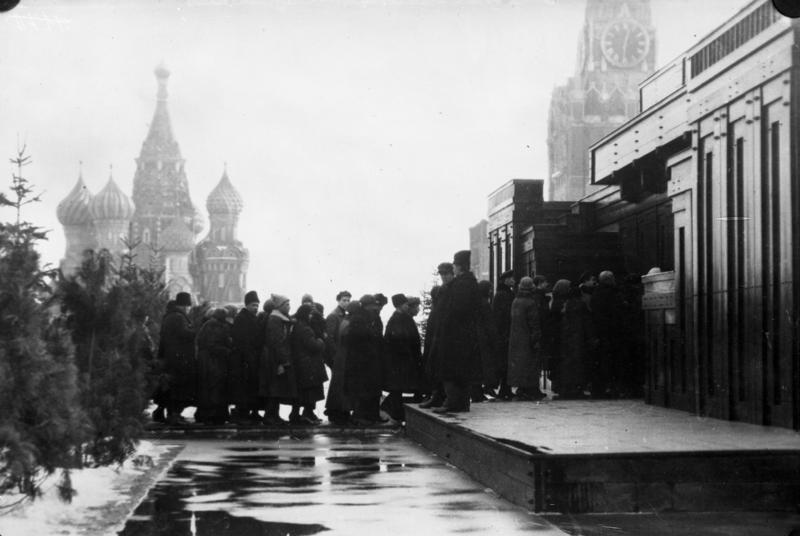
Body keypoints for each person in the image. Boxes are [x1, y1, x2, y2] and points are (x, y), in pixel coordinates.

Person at [433, 250, 482, 413]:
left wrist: (445, 326)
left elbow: (457, 310)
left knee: (451, 368)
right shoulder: (468, 282)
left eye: (454, 264)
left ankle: (453, 402)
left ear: (458, 266)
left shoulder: (461, 284)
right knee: (462, 369)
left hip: (455, 335)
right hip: (463, 334)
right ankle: (461, 403)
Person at [344, 295, 385, 425]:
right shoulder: (358, 319)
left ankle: (372, 415)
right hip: (362, 361)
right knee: (363, 390)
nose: (375, 307)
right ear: (367, 305)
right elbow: (361, 339)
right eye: (373, 304)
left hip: (371, 359)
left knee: (372, 389)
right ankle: (360, 416)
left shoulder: (371, 317)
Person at [381, 293, 422, 421]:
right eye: (405, 304)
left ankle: (395, 412)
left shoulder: (401, 318)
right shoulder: (398, 319)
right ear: (400, 305)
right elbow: (401, 341)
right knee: (398, 388)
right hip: (400, 361)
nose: (407, 306)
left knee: (398, 388)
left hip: (402, 360)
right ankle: (391, 411)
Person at [419, 262, 454, 409]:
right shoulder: (441, 291)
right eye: (442, 274)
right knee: (435, 366)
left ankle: (446, 397)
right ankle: (437, 395)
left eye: (447, 274)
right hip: (436, 334)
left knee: (447, 368)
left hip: (449, 335)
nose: (444, 277)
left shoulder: (454, 290)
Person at [507, 276, 546, 401]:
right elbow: (534, 323)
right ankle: (530, 389)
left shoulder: (516, 301)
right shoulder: (530, 302)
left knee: (519, 365)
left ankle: (522, 389)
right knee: (530, 364)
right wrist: (536, 338)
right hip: (528, 339)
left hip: (516, 338)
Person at [161, 292, 197, 424]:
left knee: (173, 387)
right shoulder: (178, 317)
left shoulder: (170, 316)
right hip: (179, 358)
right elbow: (184, 334)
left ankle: (173, 414)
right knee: (178, 388)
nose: (188, 309)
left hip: (172, 356)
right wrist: (195, 331)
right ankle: (174, 415)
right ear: (184, 305)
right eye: (188, 306)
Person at [289, 303, 328, 424]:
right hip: (308, 364)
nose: (311, 316)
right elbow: (313, 345)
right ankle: (307, 414)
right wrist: (321, 341)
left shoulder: (298, 325)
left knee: (304, 391)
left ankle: (302, 414)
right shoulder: (304, 328)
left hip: (303, 363)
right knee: (309, 392)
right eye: (310, 314)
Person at [556, 284, 595, 399]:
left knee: (568, 364)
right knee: (578, 365)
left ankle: (567, 389)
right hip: (579, 338)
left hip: (567, 338)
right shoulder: (582, 305)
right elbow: (586, 323)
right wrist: (591, 338)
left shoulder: (566, 304)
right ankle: (577, 389)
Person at [263, 294, 297, 425]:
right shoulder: (275, 320)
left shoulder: (280, 318)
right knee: (274, 388)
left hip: (276, 358)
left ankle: (274, 415)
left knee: (277, 388)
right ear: (280, 306)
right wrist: (283, 361)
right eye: (287, 304)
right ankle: (270, 416)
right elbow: (277, 342)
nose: (289, 307)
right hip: (274, 359)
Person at [196, 307, 233, 425]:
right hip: (213, 362)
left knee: (209, 389)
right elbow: (213, 345)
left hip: (208, 361)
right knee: (215, 388)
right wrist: (227, 350)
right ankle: (214, 415)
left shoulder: (210, 325)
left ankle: (208, 414)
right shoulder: (215, 326)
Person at [230, 290, 263, 424]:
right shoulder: (242, 318)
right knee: (244, 388)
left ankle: (250, 413)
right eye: (253, 305)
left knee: (249, 388)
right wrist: (248, 357)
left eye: (257, 305)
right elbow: (242, 341)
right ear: (247, 305)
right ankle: (242, 414)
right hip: (243, 359)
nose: (255, 308)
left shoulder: (250, 318)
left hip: (250, 358)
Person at [590, 270, 623, 398]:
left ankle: (600, 388)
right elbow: (616, 312)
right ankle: (611, 388)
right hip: (611, 331)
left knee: (601, 361)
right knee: (611, 361)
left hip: (599, 331)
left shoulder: (596, 293)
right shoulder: (613, 293)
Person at [324, 291, 353, 424]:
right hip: (337, 356)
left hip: (342, 355)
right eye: (344, 300)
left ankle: (340, 410)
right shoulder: (333, 316)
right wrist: (335, 355)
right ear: (338, 300)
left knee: (340, 384)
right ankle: (335, 411)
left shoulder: (344, 316)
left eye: (348, 300)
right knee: (338, 384)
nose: (346, 302)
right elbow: (330, 338)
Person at [491, 269, 516, 400]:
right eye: (511, 278)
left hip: (504, 333)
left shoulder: (504, 294)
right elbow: (501, 316)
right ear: (505, 280)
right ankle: (504, 389)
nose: (513, 280)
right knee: (504, 363)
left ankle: (506, 389)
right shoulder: (503, 295)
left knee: (506, 363)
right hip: (504, 334)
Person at [473, 279, 498, 402]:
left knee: (478, 367)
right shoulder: (484, 304)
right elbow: (489, 324)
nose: (491, 291)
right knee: (483, 366)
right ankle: (479, 392)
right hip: (484, 339)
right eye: (489, 289)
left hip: (477, 339)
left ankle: (477, 391)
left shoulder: (476, 302)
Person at [151, 300, 176, 423]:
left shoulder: (165, 320)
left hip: (164, 358)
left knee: (164, 389)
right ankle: (165, 413)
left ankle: (160, 412)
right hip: (169, 359)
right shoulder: (172, 320)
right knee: (168, 388)